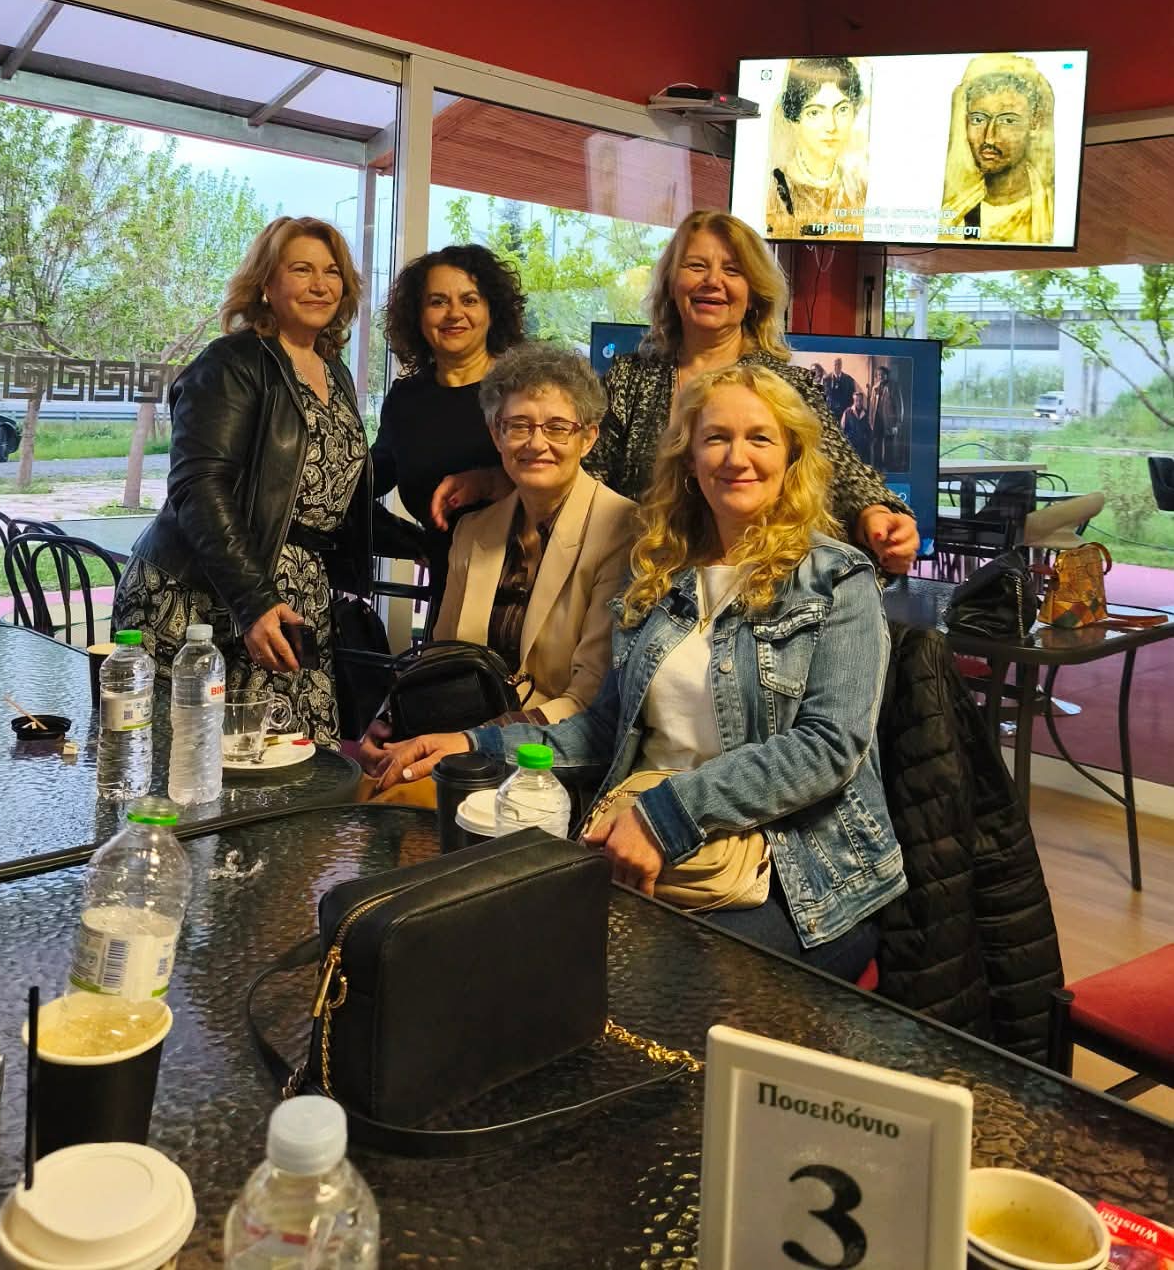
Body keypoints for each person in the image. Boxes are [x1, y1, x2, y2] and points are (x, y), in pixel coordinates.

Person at [380, 364, 907, 980]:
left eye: (759, 438)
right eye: (716, 438)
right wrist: (475, 744)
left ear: (791, 455)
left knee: (632, 986)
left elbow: (827, 747)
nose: (736, 458)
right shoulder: (659, 570)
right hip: (645, 839)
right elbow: (605, 728)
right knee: (492, 953)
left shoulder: (838, 578)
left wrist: (665, 816)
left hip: (797, 873)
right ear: (689, 460)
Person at [434, 211, 916, 574]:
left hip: (753, 596)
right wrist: (495, 480)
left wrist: (879, 513)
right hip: (637, 587)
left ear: (754, 292)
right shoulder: (629, 377)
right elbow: (579, 474)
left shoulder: (789, 385)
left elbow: (845, 476)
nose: (713, 282)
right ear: (671, 283)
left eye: (732, 270)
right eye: (696, 266)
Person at [112, 217, 372, 743]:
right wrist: (253, 602)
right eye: (301, 270)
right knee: (191, 764)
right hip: (205, 596)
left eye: (332, 272)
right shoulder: (231, 361)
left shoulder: (334, 370)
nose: (320, 285)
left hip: (295, 594)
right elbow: (199, 486)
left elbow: (327, 497)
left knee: (292, 761)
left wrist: (442, 537)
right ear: (265, 283)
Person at [359, 342, 638, 786]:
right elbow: (442, 657)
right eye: (518, 426)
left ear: (588, 438)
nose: (536, 443)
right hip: (458, 745)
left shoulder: (624, 530)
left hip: (555, 762)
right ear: (496, 435)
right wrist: (392, 717)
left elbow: (588, 699)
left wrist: (469, 741)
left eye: (557, 427)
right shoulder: (473, 531)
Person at [371, 245, 526, 631]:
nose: (454, 313)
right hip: (449, 591)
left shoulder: (527, 389)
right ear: (418, 316)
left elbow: (570, 487)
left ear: (492, 310)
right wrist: (412, 541)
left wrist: (491, 481)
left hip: (526, 590)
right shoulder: (407, 400)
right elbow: (364, 484)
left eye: (469, 300)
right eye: (438, 301)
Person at [939, 55, 1056, 244]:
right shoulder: (953, 216)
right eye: (978, 119)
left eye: (1008, 120)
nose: (989, 138)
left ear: (1034, 123)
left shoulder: (1053, 211)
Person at [766, 57, 869, 240]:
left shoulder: (859, 187)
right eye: (815, 112)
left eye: (842, 109)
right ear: (795, 119)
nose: (831, 126)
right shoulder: (775, 188)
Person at [869, 366, 904, 474]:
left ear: (886, 375)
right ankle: (877, 467)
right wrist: (871, 421)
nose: (880, 376)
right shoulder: (875, 388)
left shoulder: (893, 387)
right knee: (876, 445)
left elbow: (899, 406)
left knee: (889, 446)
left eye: (882, 374)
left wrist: (898, 424)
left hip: (889, 422)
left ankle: (889, 468)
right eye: (878, 375)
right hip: (877, 421)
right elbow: (871, 406)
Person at [841, 388, 872, 462]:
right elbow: (843, 429)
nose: (858, 403)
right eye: (856, 400)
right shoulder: (847, 412)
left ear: (862, 401)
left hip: (863, 447)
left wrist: (866, 440)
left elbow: (869, 430)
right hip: (852, 445)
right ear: (853, 400)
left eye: (860, 400)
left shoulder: (866, 413)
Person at [825, 356, 855, 422]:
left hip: (844, 412)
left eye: (839, 364)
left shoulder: (848, 379)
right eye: (835, 364)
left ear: (841, 365)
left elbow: (852, 395)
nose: (837, 366)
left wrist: (849, 408)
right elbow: (825, 395)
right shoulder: (827, 379)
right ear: (833, 365)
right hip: (831, 411)